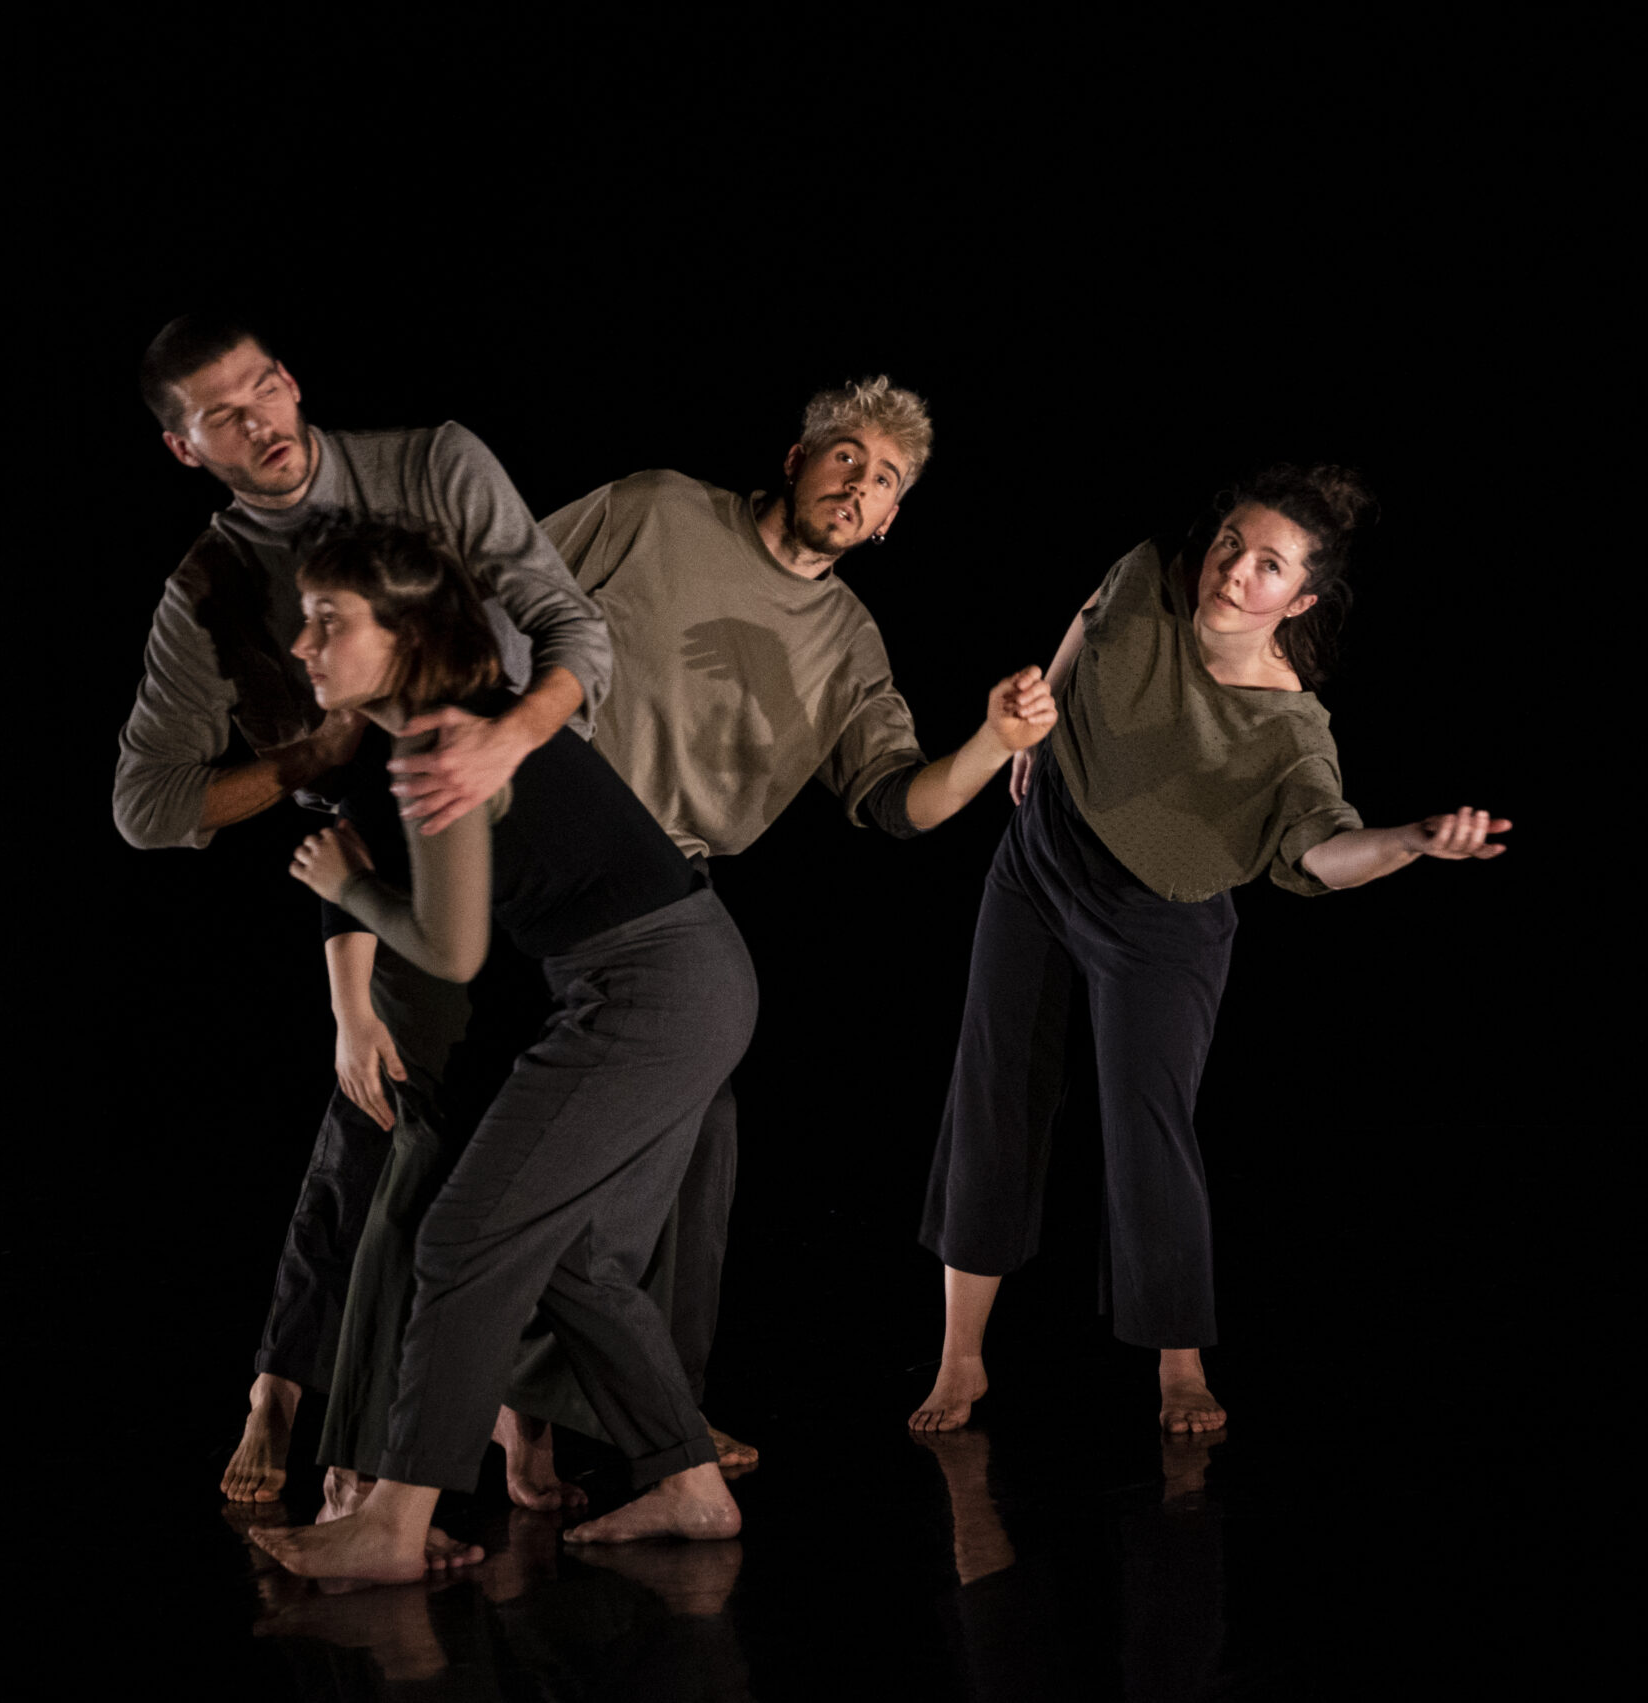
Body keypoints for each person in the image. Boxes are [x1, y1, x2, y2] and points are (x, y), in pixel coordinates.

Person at [317, 377, 1056, 1498]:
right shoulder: (657, 508)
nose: (858, 484)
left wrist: (992, 741)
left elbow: (895, 800)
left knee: (689, 1155)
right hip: (519, 842)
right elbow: (494, 598)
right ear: (797, 457)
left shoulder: (848, 642)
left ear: (892, 519)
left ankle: (595, 1424)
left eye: (886, 479)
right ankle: (363, 1456)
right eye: (846, 456)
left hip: (652, 899)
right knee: (437, 1152)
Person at [112, 313, 614, 1504]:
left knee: (565, 1144)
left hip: (518, 813)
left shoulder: (433, 462)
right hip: (377, 857)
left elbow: (576, 630)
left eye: (265, 388)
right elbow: (151, 805)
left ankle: (553, 1412)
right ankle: (314, 1422)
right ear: (185, 447)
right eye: (222, 415)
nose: (260, 422)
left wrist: (504, 742)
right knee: (384, 1129)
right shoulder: (210, 586)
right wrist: (312, 755)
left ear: (292, 379)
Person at [908, 465, 1512, 1436]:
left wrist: (1408, 841)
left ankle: (1179, 1362)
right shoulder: (1152, 573)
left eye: (1268, 565)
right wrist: (1040, 714)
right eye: (1232, 542)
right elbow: (1091, 609)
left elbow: (1321, 851)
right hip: (1043, 855)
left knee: (1146, 1127)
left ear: (1300, 600)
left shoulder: (1290, 731)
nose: (1233, 571)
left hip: (1160, 916)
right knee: (993, 1090)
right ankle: (960, 1357)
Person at [261, 519, 751, 1582]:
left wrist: (348, 886)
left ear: (407, 632)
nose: (303, 644)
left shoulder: (439, 744)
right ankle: (690, 1481)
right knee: (571, 1256)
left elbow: (452, 947)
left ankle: (392, 1526)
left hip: (653, 989)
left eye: (329, 621)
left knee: (462, 1235)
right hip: (677, 980)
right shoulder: (445, 729)